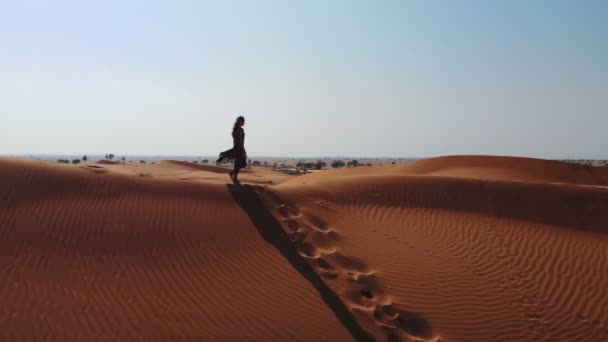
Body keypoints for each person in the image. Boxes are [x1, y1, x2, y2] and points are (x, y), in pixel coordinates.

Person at [216, 116, 247, 184]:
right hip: (237, 148)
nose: (244, 122)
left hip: (241, 148)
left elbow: (242, 141)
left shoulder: (242, 130)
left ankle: (231, 173)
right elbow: (237, 140)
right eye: (243, 121)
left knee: (243, 164)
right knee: (237, 163)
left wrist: (243, 149)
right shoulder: (236, 130)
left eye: (244, 121)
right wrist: (238, 148)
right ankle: (235, 179)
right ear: (239, 121)